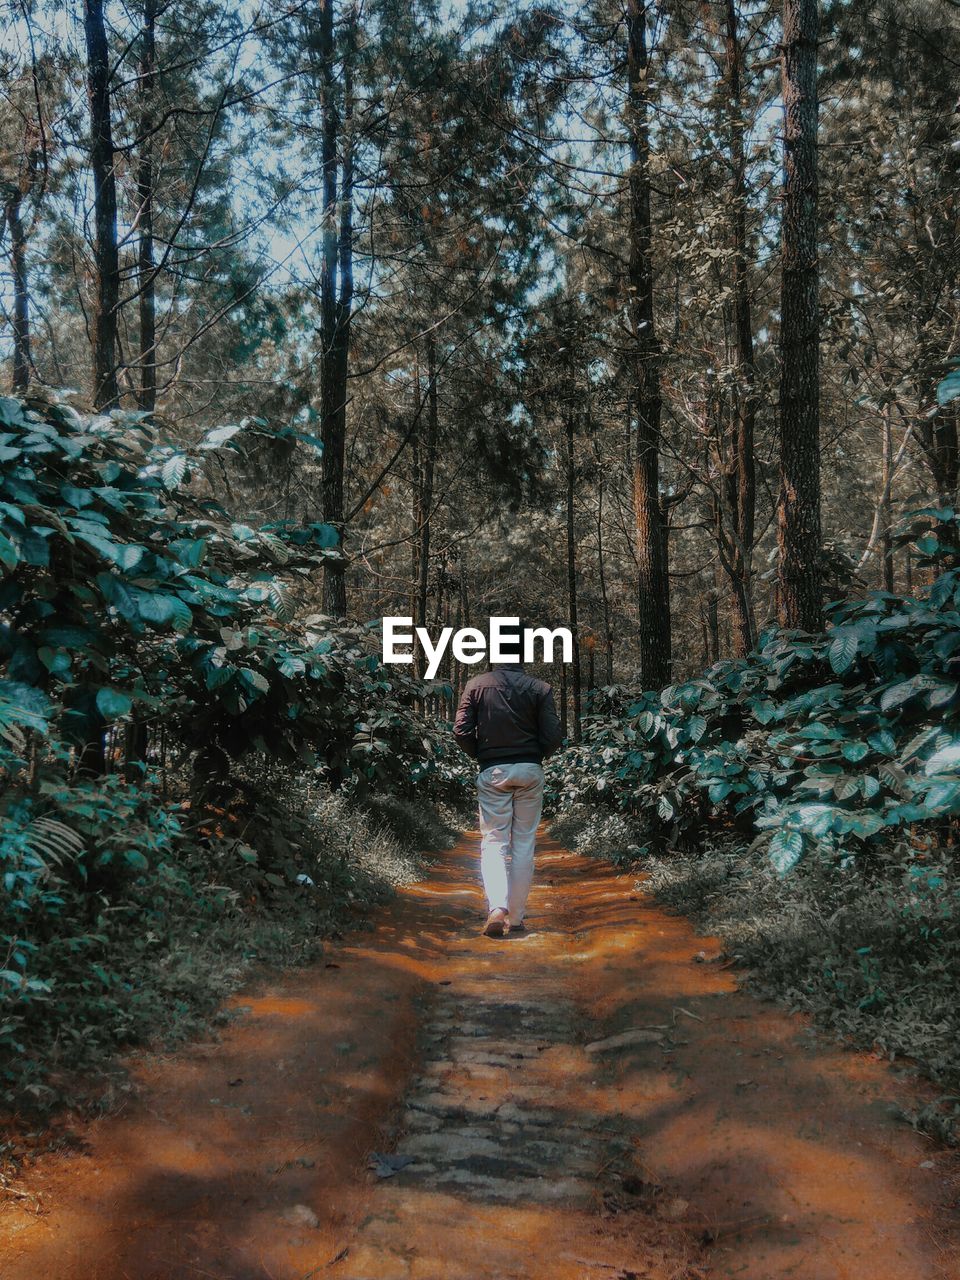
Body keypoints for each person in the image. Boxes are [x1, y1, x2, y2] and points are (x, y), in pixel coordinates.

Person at [452, 621, 564, 937]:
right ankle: (514, 919)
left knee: (494, 842)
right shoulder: (541, 689)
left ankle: (496, 907)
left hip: (493, 771)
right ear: (523, 652)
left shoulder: (476, 685)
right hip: (530, 770)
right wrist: (535, 756)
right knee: (524, 843)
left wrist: (482, 757)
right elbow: (553, 734)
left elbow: (461, 731)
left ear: (493, 651)